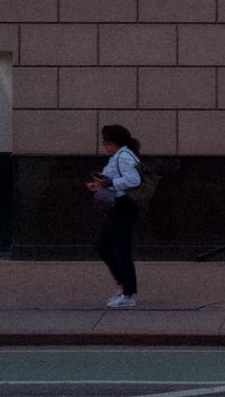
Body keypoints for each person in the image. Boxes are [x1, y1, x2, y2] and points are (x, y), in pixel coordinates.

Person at [85, 123, 141, 309]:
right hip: (117, 206)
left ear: (115, 142)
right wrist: (101, 184)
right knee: (104, 246)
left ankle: (128, 294)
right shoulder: (120, 155)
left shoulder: (124, 156)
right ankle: (123, 285)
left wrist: (110, 183)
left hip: (123, 207)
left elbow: (133, 180)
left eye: (106, 142)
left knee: (120, 250)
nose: (105, 146)